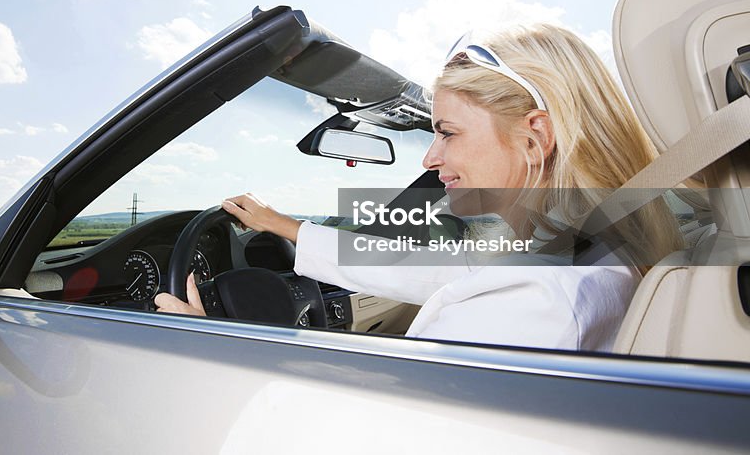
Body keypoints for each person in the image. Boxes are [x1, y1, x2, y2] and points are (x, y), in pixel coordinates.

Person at [155, 24, 684, 351]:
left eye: (448, 133)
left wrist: (215, 344)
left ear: (535, 136)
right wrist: (285, 227)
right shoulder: (593, 250)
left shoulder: (534, 305)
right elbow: (440, 270)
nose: (431, 159)